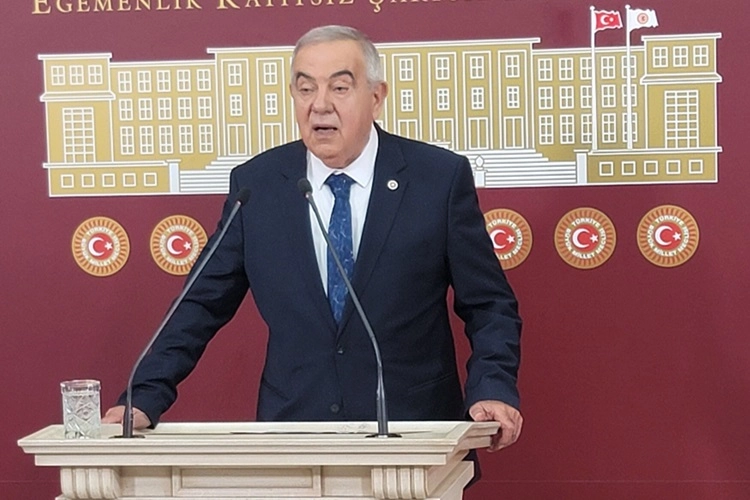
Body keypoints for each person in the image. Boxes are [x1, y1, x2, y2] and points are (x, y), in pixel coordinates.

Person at [104, 25, 523, 452]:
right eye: (305, 89)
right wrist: (145, 395)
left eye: (339, 87)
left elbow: (488, 302)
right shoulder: (258, 186)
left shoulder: (437, 179)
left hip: (415, 433)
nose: (319, 105)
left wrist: (492, 386)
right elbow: (200, 304)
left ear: (376, 96)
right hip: (294, 435)